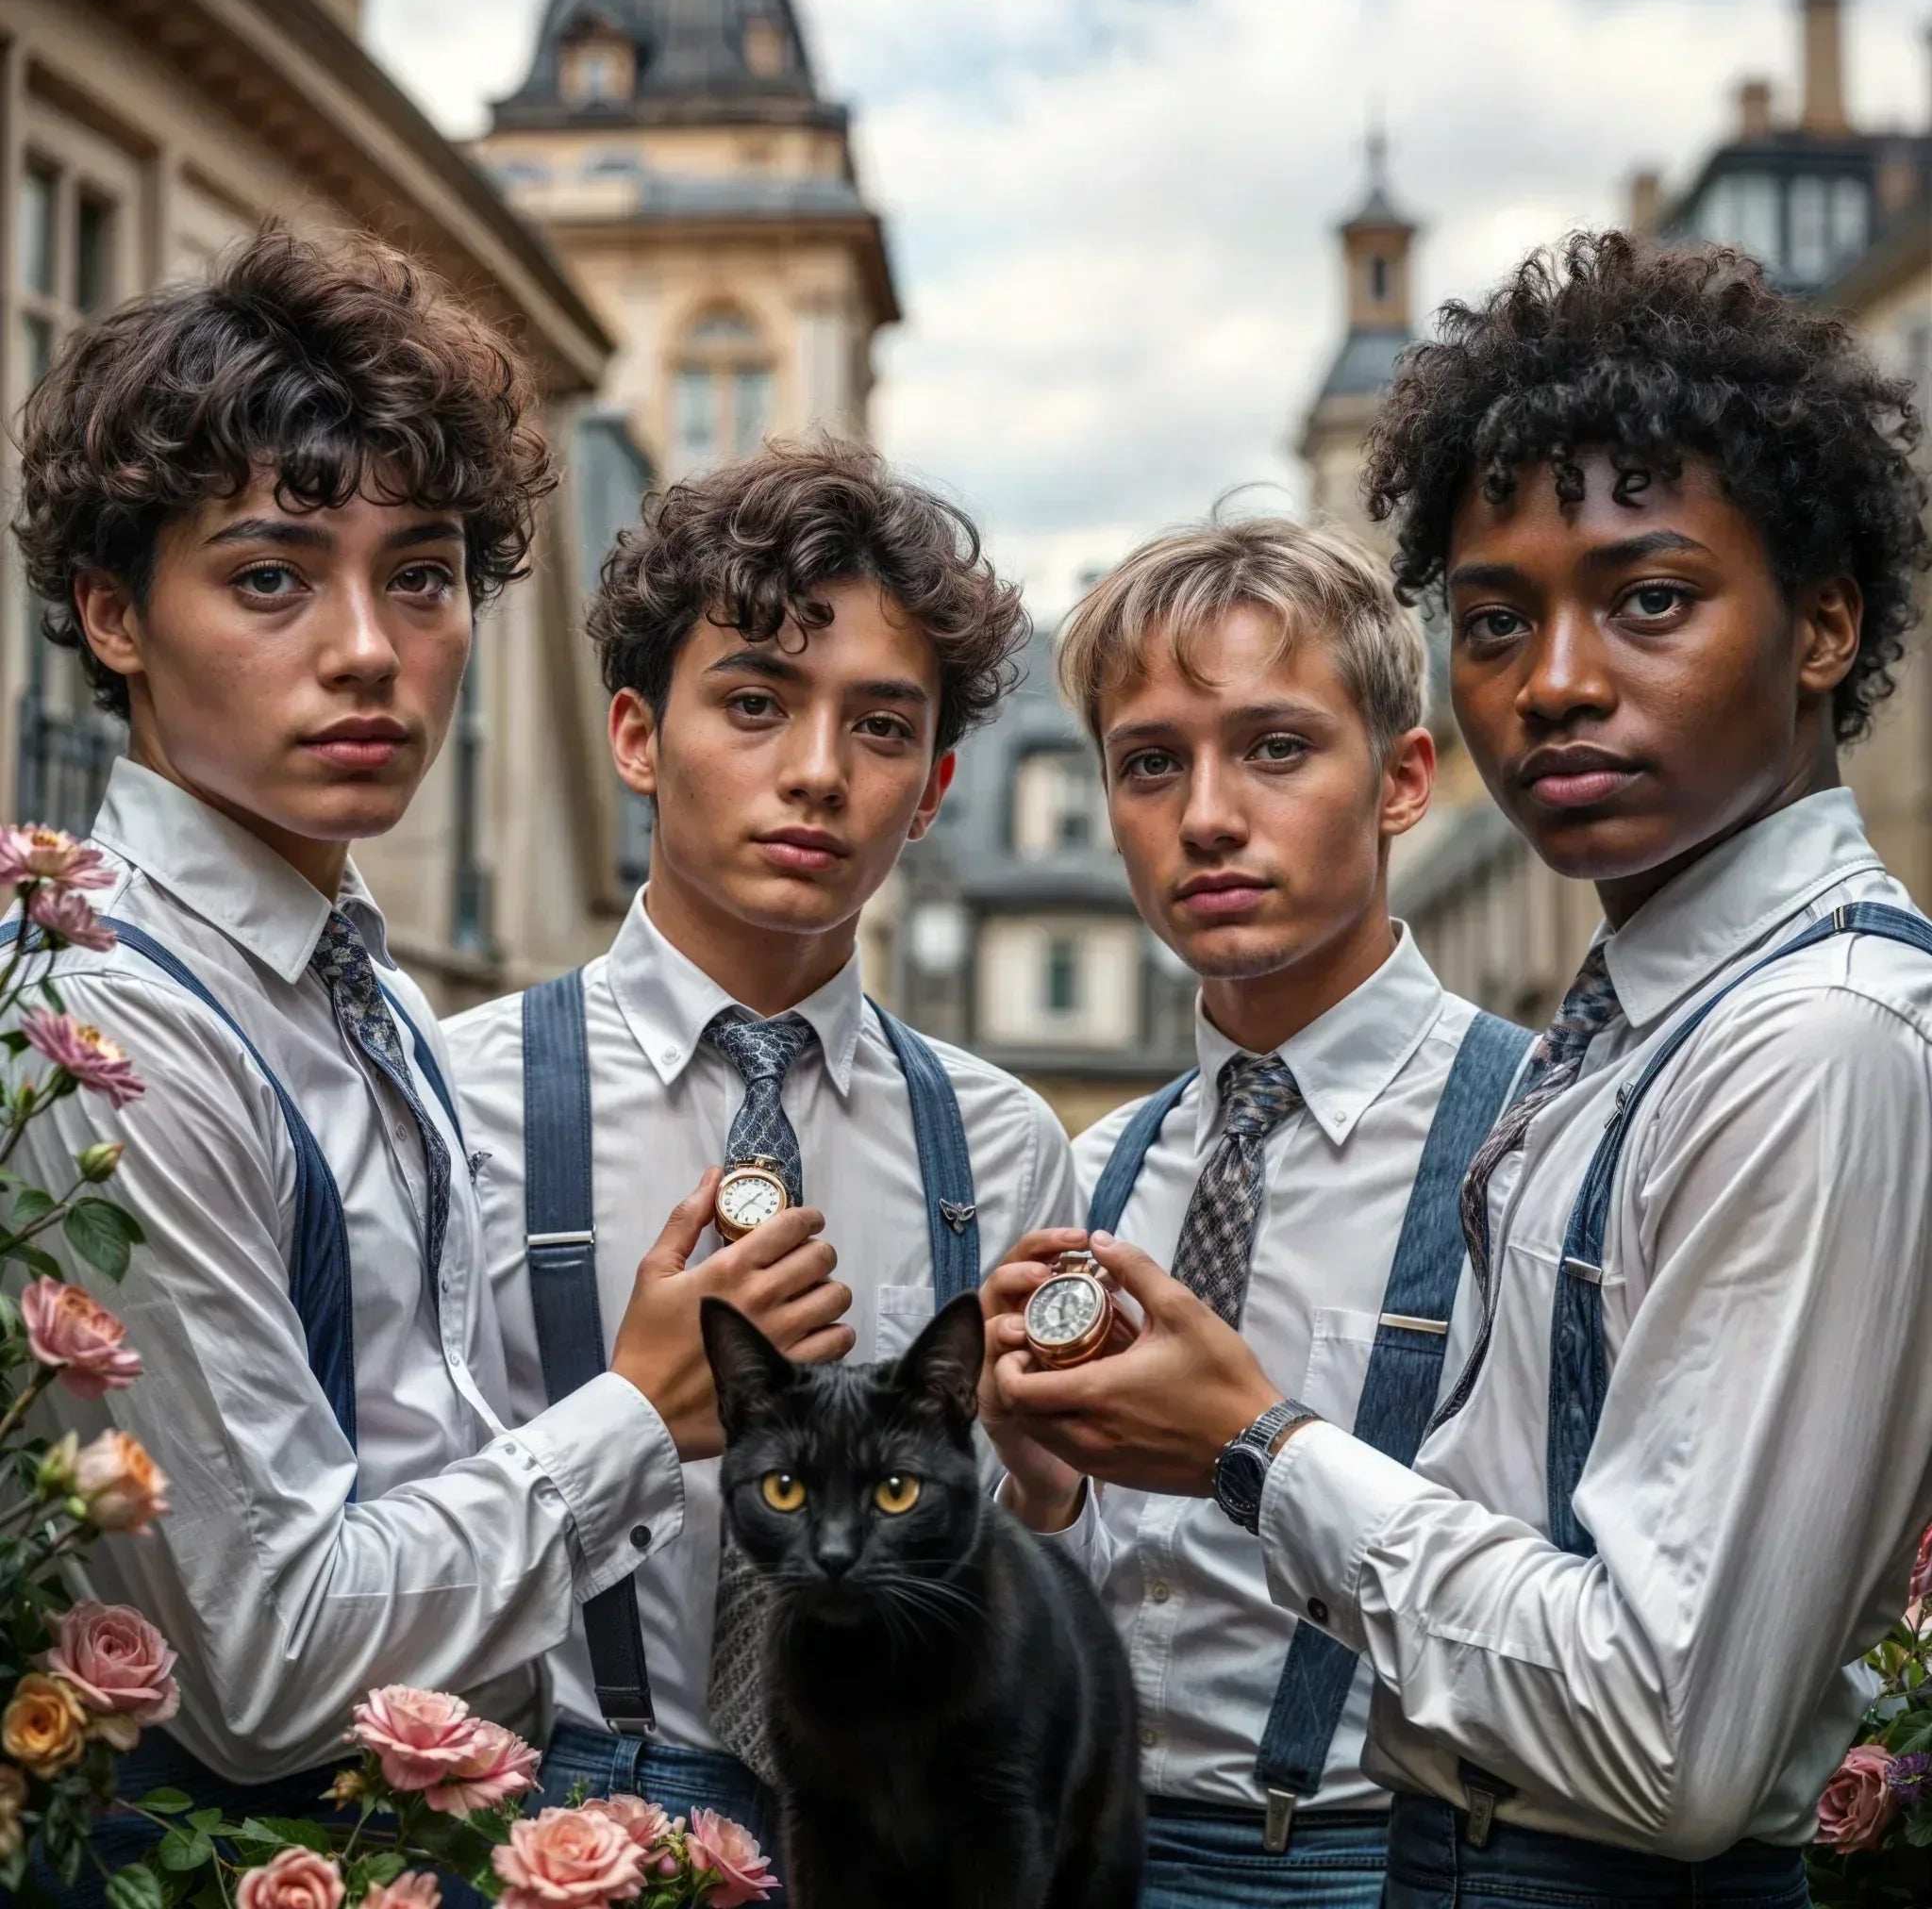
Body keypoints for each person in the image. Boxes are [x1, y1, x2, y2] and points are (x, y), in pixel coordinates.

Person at [990, 231, 1932, 1908]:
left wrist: (1255, 1444)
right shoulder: (1616, 1052)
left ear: (1825, 626)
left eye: (1651, 600)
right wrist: (1051, 1492)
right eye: (1496, 621)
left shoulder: (1804, 1042)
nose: (1558, 684)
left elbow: (1672, 1735)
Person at [8, 230, 838, 1882]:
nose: (370, 650)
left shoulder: (363, 986)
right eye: (271, 577)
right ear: (113, 612)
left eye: (423, 576)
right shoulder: (102, 1023)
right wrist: (637, 1411)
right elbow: (264, 1664)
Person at [444, 438, 1074, 1850]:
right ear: (635, 737)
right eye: (754, 703)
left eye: (881, 728)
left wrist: (1050, 1486)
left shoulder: (1002, 1144)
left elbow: (1039, 1575)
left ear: (934, 787)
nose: (818, 772)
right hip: (547, 1818)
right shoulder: (460, 1101)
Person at [979, 515, 1527, 1908]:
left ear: (1403, 780)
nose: (1207, 815)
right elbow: (1089, 1594)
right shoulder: (1102, 1165)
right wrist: (1042, 1494)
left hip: (1384, 1865)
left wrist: (1253, 1444)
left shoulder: (1536, 1141)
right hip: (1087, 1853)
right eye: (1150, 763)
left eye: (1276, 748)